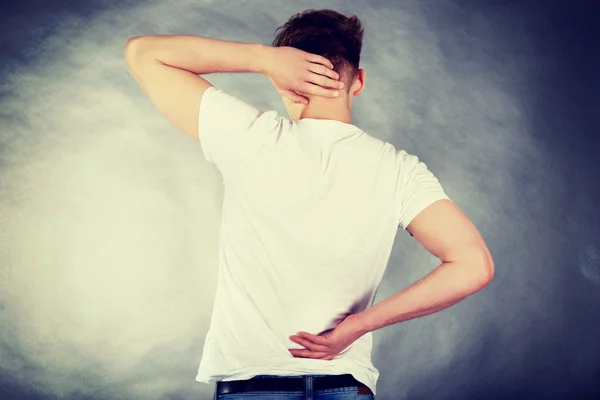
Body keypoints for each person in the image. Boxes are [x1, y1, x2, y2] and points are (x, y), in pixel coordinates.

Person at [124, 8, 494, 400]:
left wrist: (263, 60)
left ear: (284, 82)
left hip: (252, 385)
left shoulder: (248, 138)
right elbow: (474, 265)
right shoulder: (399, 170)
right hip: (344, 385)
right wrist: (358, 325)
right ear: (360, 81)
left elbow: (142, 54)